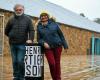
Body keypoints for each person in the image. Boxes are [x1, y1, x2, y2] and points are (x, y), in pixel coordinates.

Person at [5, 4, 34, 80]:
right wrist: (11, 35)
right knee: (14, 61)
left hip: (22, 43)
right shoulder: (11, 19)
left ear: (23, 10)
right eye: (17, 10)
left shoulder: (28, 19)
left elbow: (31, 30)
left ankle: (21, 76)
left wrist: (30, 39)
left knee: (20, 61)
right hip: (12, 44)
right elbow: (6, 31)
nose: (18, 11)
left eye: (20, 10)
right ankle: (15, 76)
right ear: (14, 10)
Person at [37, 12, 68, 80]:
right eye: (42, 16)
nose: (43, 17)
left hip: (58, 46)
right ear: (40, 17)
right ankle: (55, 78)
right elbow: (39, 39)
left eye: (45, 15)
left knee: (57, 64)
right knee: (52, 63)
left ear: (48, 17)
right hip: (48, 48)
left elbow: (61, 35)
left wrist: (65, 46)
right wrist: (43, 43)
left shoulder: (54, 24)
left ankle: (58, 78)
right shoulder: (39, 27)